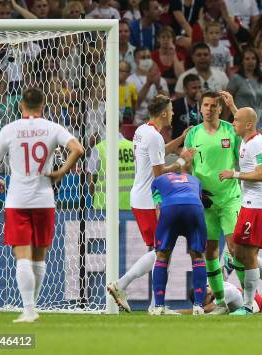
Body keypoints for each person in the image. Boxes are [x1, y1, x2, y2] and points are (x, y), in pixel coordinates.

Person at [0, 87, 85, 323]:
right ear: (43, 105)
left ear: (21, 105)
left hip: (17, 200)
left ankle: (29, 310)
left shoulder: (10, 129)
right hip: (44, 199)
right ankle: (32, 308)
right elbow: (78, 149)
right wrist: (61, 171)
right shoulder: (52, 127)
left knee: (22, 257)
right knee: (39, 259)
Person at [106, 95, 194, 314]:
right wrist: (183, 161)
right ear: (164, 112)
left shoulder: (143, 131)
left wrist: (179, 140)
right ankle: (124, 286)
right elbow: (159, 174)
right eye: (171, 110)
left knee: (161, 250)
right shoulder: (153, 136)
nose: (173, 113)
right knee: (162, 251)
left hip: (141, 197)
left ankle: (154, 304)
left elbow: (158, 152)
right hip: (149, 200)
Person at [218, 100, 262, 316]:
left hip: (257, 206)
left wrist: (235, 174)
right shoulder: (246, 136)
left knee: (247, 256)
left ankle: (248, 305)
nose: (232, 123)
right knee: (239, 253)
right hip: (248, 204)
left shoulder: (257, 144)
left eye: (235, 120)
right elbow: (243, 119)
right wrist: (232, 105)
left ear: (248, 125)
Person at [183, 91, 242, 315]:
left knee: (236, 250)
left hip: (229, 198)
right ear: (200, 108)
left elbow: (247, 144)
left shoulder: (230, 130)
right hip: (204, 201)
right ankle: (220, 303)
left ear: (220, 108)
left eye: (213, 106)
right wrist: (194, 190)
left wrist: (234, 107)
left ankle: (247, 302)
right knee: (210, 252)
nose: (209, 109)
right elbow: (186, 165)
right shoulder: (193, 134)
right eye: (205, 105)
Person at [149, 169, 208, 315]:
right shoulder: (195, 180)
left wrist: (162, 231)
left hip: (170, 208)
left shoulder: (157, 181)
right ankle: (199, 306)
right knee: (198, 255)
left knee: (162, 256)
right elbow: (199, 199)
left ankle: (159, 306)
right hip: (194, 207)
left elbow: (158, 206)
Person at [87, 129, 135, 210]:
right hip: (129, 204)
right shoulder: (132, 147)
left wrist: (93, 195)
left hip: (104, 205)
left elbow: (91, 179)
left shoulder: (99, 148)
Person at [127, 47, 169, 125]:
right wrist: (148, 84)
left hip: (157, 122)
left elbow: (167, 102)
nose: (146, 60)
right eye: (143, 57)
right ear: (135, 60)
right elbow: (134, 106)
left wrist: (158, 86)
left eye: (149, 57)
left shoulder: (161, 79)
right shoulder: (130, 80)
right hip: (138, 122)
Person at [226, 48, 262, 120]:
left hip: (258, 119)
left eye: (253, 58)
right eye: (247, 59)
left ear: (257, 61)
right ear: (242, 61)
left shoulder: (261, 79)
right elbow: (227, 101)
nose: (251, 61)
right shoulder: (236, 78)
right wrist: (225, 121)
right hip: (241, 120)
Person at [151, 26, 186, 93]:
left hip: (176, 89)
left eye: (169, 37)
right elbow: (153, 78)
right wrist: (170, 80)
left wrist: (174, 54)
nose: (166, 40)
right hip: (158, 89)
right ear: (158, 39)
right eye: (163, 37)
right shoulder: (153, 56)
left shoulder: (179, 56)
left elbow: (181, 77)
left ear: (173, 39)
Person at [171, 74, 202, 140]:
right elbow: (164, 129)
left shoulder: (205, 105)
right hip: (181, 147)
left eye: (199, 87)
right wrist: (173, 147)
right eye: (194, 88)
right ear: (185, 89)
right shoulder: (175, 105)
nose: (198, 91)